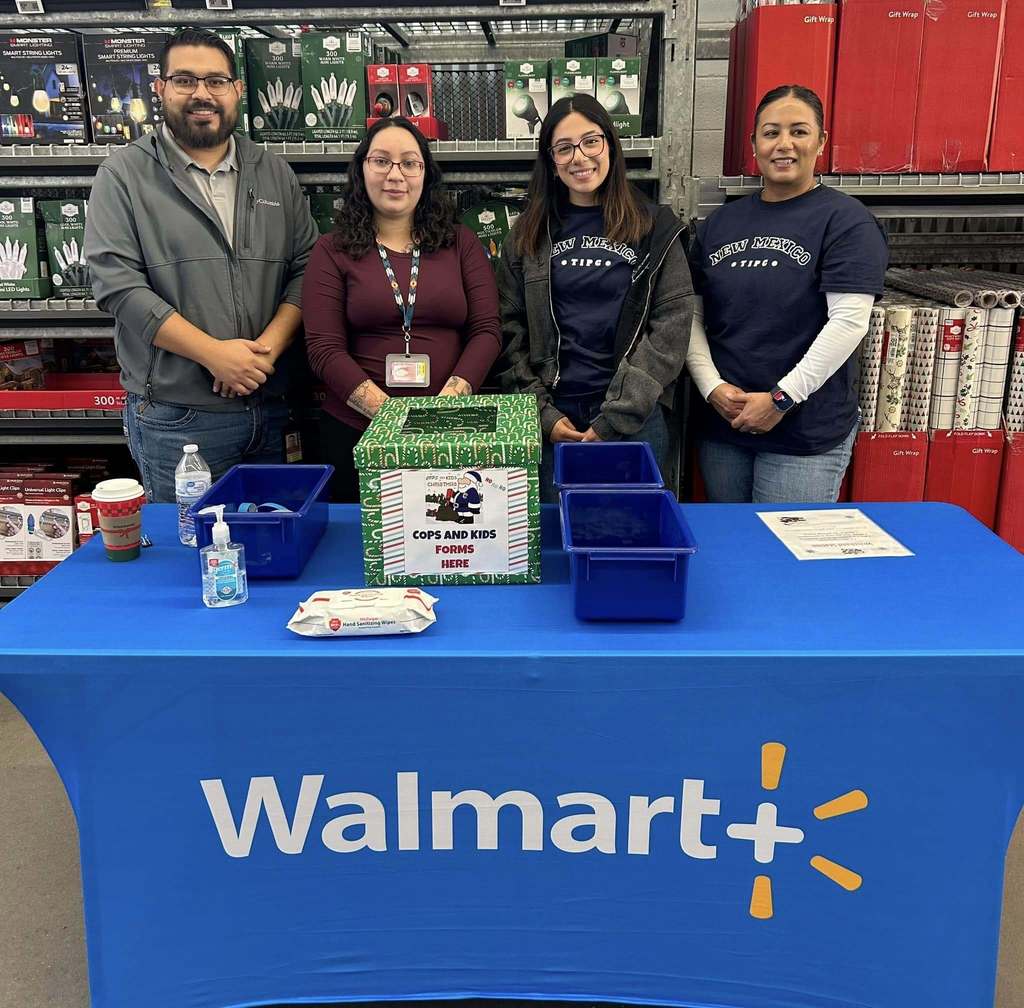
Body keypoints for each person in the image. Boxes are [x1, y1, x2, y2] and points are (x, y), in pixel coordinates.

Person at [85, 27, 318, 503]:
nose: (202, 94)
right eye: (185, 80)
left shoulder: (273, 171)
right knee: (191, 560)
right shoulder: (123, 175)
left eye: (215, 81)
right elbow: (117, 284)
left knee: (275, 557)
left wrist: (267, 352)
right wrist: (214, 354)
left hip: (272, 406)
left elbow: (306, 269)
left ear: (236, 90)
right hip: (180, 420)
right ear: (161, 89)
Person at [686, 84, 888, 503]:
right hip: (726, 424)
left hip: (802, 433)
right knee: (733, 549)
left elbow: (848, 324)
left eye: (798, 131)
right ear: (754, 144)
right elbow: (689, 316)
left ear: (821, 141)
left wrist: (781, 399)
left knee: (782, 560)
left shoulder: (846, 222)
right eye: (771, 132)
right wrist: (711, 387)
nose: (784, 144)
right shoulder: (719, 224)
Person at [495, 94, 693, 502]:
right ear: (550, 161)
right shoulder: (526, 237)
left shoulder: (655, 228)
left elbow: (671, 327)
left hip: (634, 418)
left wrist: (617, 415)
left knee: (632, 536)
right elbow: (506, 329)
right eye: (563, 147)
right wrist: (542, 414)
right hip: (555, 418)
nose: (579, 157)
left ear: (610, 146)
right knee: (557, 543)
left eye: (591, 141)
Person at [302, 117, 501, 503]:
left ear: (425, 174)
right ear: (362, 169)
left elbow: (487, 331)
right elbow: (323, 349)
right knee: (365, 552)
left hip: (450, 431)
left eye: (410, 163)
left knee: (446, 536)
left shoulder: (460, 243)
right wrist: (392, 418)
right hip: (357, 433)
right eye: (382, 161)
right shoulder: (332, 250)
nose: (396, 174)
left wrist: (444, 410)